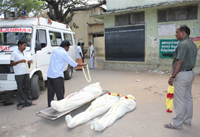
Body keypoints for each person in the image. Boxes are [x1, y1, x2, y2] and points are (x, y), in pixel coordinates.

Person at [164, 25, 197, 130]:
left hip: (181, 74)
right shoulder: (192, 44)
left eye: (177, 32)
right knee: (188, 98)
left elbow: (180, 61)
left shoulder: (183, 45)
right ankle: (187, 121)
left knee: (179, 99)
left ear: (183, 33)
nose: (175, 34)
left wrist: (172, 76)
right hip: (190, 73)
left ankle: (177, 123)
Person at [47, 40, 86, 107]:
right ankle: (61, 107)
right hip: (57, 76)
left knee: (50, 93)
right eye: (68, 47)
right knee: (60, 93)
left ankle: (50, 106)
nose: (68, 49)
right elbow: (73, 64)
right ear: (65, 47)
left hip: (50, 75)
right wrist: (82, 64)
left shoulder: (54, 51)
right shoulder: (64, 53)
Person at [10, 40, 35, 110]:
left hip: (26, 72)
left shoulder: (25, 53)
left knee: (27, 88)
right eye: (24, 45)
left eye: (25, 45)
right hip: (19, 73)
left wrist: (29, 61)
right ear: (19, 45)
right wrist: (19, 61)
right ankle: (21, 104)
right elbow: (11, 63)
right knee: (20, 89)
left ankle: (28, 102)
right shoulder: (14, 53)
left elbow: (25, 61)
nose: (25, 47)